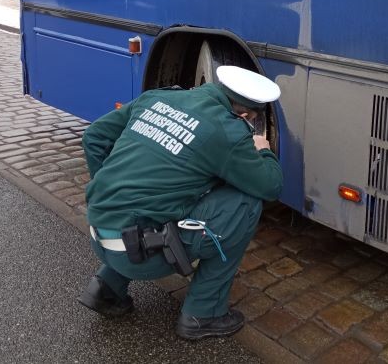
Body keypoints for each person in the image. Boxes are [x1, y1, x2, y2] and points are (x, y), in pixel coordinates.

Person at [77, 65, 283, 340]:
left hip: (97, 232)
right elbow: (270, 186)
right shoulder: (226, 131)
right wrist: (264, 151)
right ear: (244, 115)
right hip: (138, 256)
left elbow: (94, 137)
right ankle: (203, 314)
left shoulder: (159, 98)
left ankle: (106, 289)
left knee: (142, 206)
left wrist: (110, 193)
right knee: (245, 204)